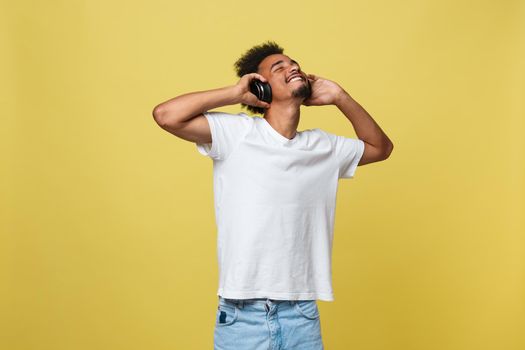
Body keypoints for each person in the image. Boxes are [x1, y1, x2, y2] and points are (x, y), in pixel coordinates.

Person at [152, 40, 393, 350]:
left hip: (301, 313)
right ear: (260, 88)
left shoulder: (324, 148)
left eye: (295, 64)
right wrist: (235, 93)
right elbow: (165, 115)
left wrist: (340, 97)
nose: (293, 67)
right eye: (279, 67)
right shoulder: (237, 134)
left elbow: (380, 148)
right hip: (242, 315)